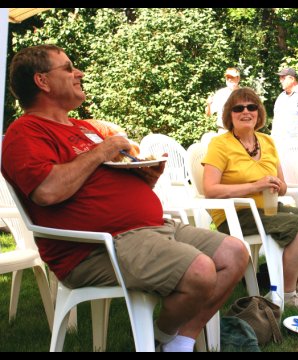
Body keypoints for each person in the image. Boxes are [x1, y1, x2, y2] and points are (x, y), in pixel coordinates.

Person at [2, 44, 249, 352]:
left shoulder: (82, 129)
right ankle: (162, 338)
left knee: (235, 253)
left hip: (149, 230)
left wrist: (143, 176)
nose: (78, 73)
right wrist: (104, 149)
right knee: (200, 271)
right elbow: (47, 191)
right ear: (42, 81)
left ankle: (177, 342)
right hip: (95, 248)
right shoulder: (25, 132)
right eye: (67, 68)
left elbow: (99, 176)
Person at [202, 87, 298, 312]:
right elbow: (210, 189)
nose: (246, 112)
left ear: (259, 113)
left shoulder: (267, 141)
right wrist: (255, 186)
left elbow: (282, 185)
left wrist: (279, 186)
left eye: (251, 107)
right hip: (236, 214)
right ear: (229, 115)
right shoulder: (219, 144)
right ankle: (286, 293)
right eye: (238, 108)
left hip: (268, 208)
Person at [271, 67, 298, 142]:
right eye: (280, 78)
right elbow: (276, 120)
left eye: (283, 78)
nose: (280, 81)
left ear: (292, 79)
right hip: (279, 144)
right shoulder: (281, 97)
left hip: (297, 145)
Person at [205, 67, 241, 131]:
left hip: (240, 131)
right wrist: (209, 104)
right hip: (223, 131)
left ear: (238, 79)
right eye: (227, 78)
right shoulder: (220, 93)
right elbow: (209, 114)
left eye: (232, 77)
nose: (229, 80)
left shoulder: (244, 94)